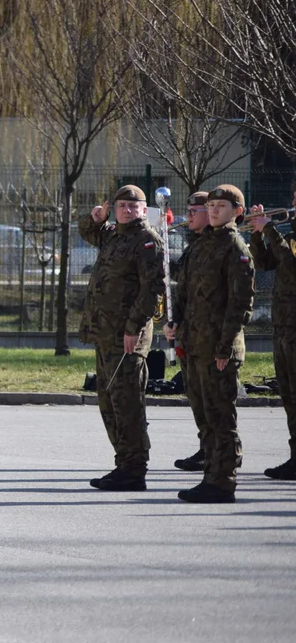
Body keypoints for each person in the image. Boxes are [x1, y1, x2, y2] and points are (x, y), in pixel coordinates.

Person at [165, 184, 254, 503]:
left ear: (237, 212)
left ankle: (222, 482)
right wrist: (175, 324)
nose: (214, 210)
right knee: (205, 416)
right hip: (195, 344)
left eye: (222, 205)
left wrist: (224, 348)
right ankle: (211, 476)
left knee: (220, 418)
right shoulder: (201, 245)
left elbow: (240, 305)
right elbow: (185, 292)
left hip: (218, 348)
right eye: (212, 205)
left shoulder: (234, 248)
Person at [79, 185, 165, 492]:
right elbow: (88, 232)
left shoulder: (146, 241)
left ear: (144, 210)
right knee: (110, 403)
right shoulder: (114, 235)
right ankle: (123, 464)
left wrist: (134, 329)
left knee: (127, 403)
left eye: (133, 205)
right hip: (105, 334)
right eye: (122, 205)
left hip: (127, 336)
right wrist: (95, 218)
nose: (127, 210)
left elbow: (151, 290)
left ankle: (134, 468)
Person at [247, 188, 296, 481]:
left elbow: (292, 265)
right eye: (293, 198)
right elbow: (266, 264)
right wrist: (256, 233)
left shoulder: (285, 234)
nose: (293, 203)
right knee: (289, 397)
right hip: (283, 326)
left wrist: (269, 228)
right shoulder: (289, 233)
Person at [173, 192, 212, 472]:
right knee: (197, 398)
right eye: (188, 211)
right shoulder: (194, 246)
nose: (189, 217)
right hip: (190, 333)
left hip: (210, 336)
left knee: (214, 403)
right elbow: (183, 285)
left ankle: (220, 456)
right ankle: (206, 449)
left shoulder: (218, 245)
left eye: (193, 212)